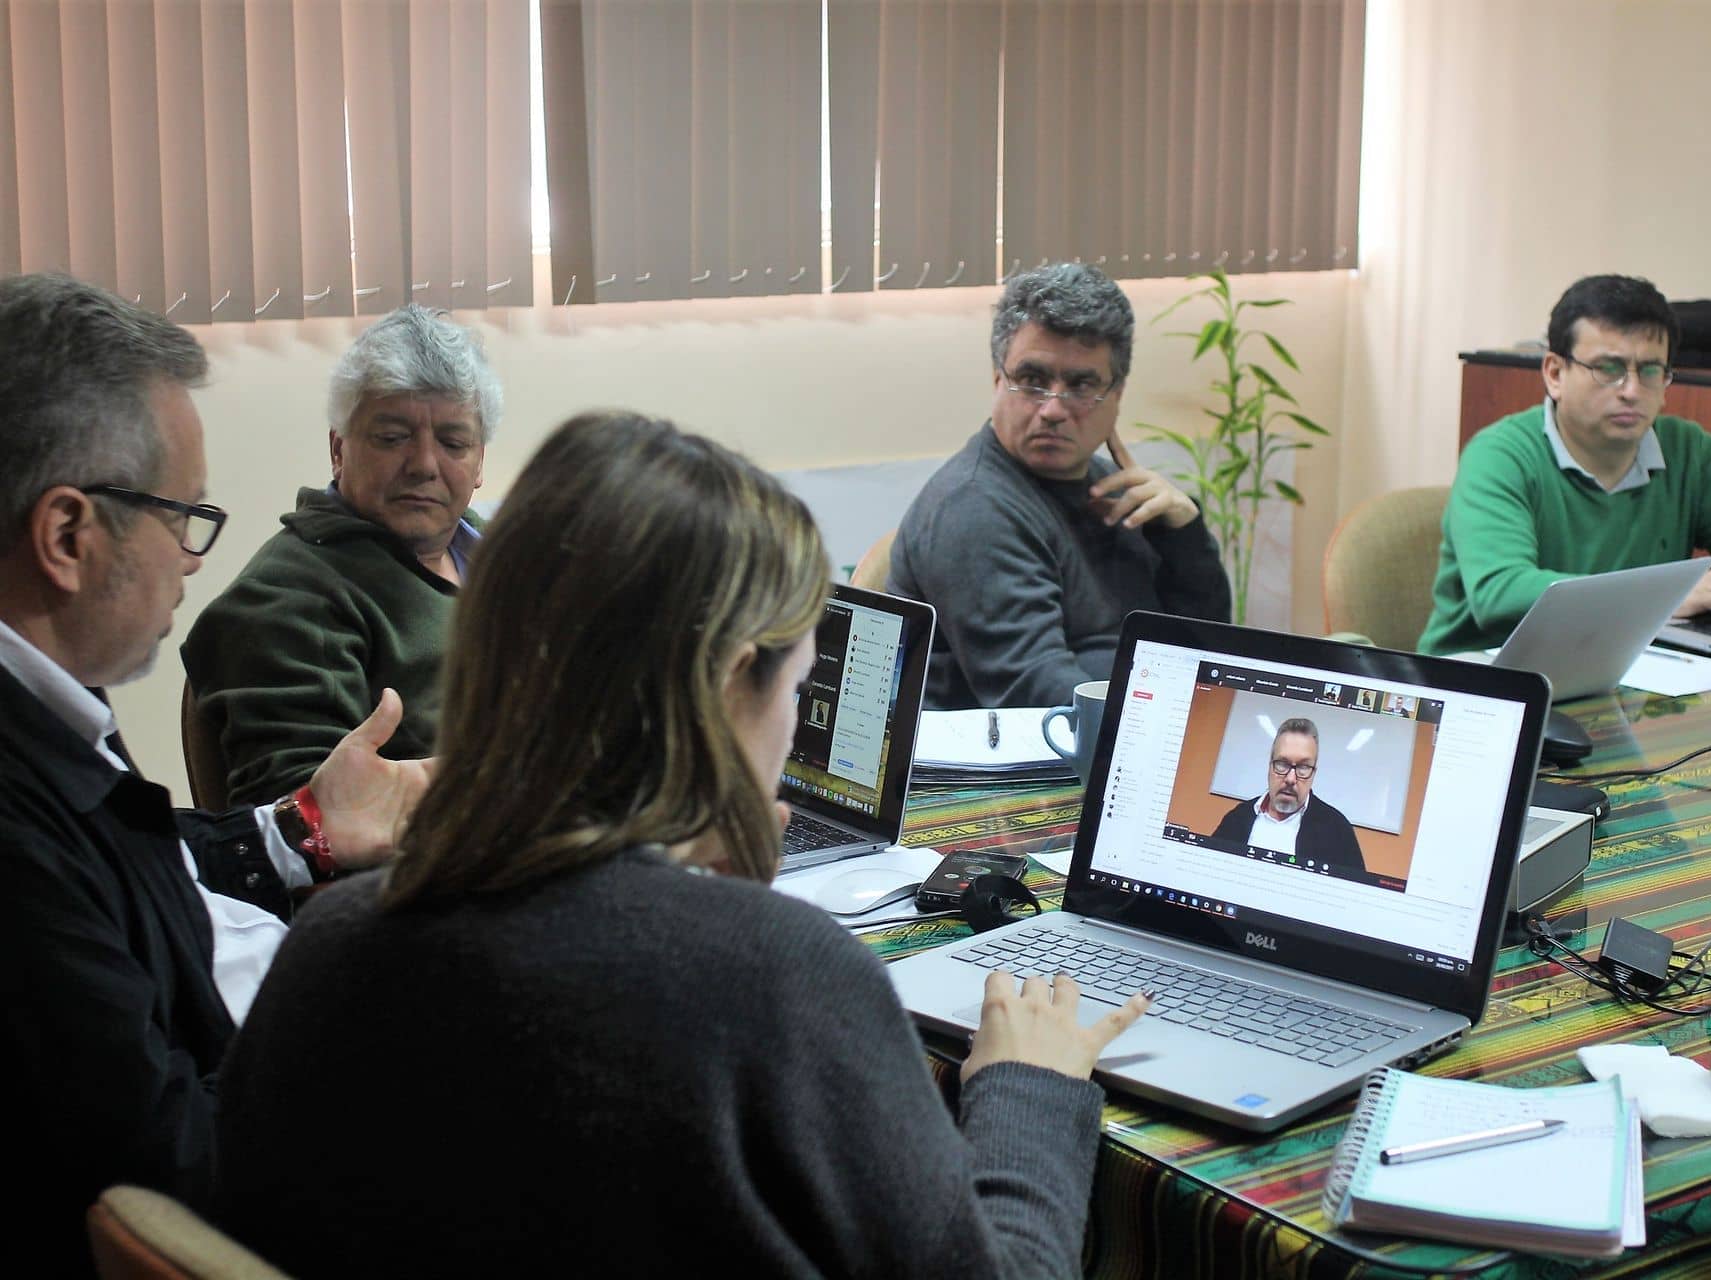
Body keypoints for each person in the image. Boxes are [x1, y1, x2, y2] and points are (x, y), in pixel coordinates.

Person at [214, 413, 1150, 1276]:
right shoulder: (782, 981)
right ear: (731, 682)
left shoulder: (329, 947)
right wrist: (1030, 1088)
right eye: (797, 690)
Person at [0, 273, 427, 1273]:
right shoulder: (14, 834)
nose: (193, 559)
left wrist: (298, 829)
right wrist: (384, 1067)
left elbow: (122, 865)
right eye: (181, 515)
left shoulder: (48, 703)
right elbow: (170, 1165)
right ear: (67, 536)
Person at [181, 304, 499, 805]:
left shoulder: (508, 556)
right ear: (338, 449)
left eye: (453, 442)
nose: (424, 464)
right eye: (392, 438)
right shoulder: (286, 601)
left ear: (479, 463)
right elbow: (306, 823)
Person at [890, 264, 1231, 709]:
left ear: (1116, 395)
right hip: (1023, 749)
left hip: (1114, 730)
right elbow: (1039, 694)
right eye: (1032, 381)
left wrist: (1184, 537)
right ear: (998, 381)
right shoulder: (973, 508)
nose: (1052, 409)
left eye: (1081, 385)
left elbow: (1203, 653)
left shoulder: (1117, 490)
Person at [1419, 274, 1711, 655]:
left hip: (1627, 671)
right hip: (1483, 676)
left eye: (1650, 370)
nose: (1631, 391)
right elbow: (1501, 595)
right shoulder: (1499, 455)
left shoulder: (1688, 451)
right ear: (1555, 374)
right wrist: (1660, 597)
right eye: (1608, 369)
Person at [1209, 717, 1365, 876]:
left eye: (1303, 767)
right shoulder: (1237, 818)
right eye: (1282, 764)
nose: (1290, 779)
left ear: (1313, 773)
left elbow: (1355, 888)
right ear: (1270, 765)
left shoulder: (1337, 830)